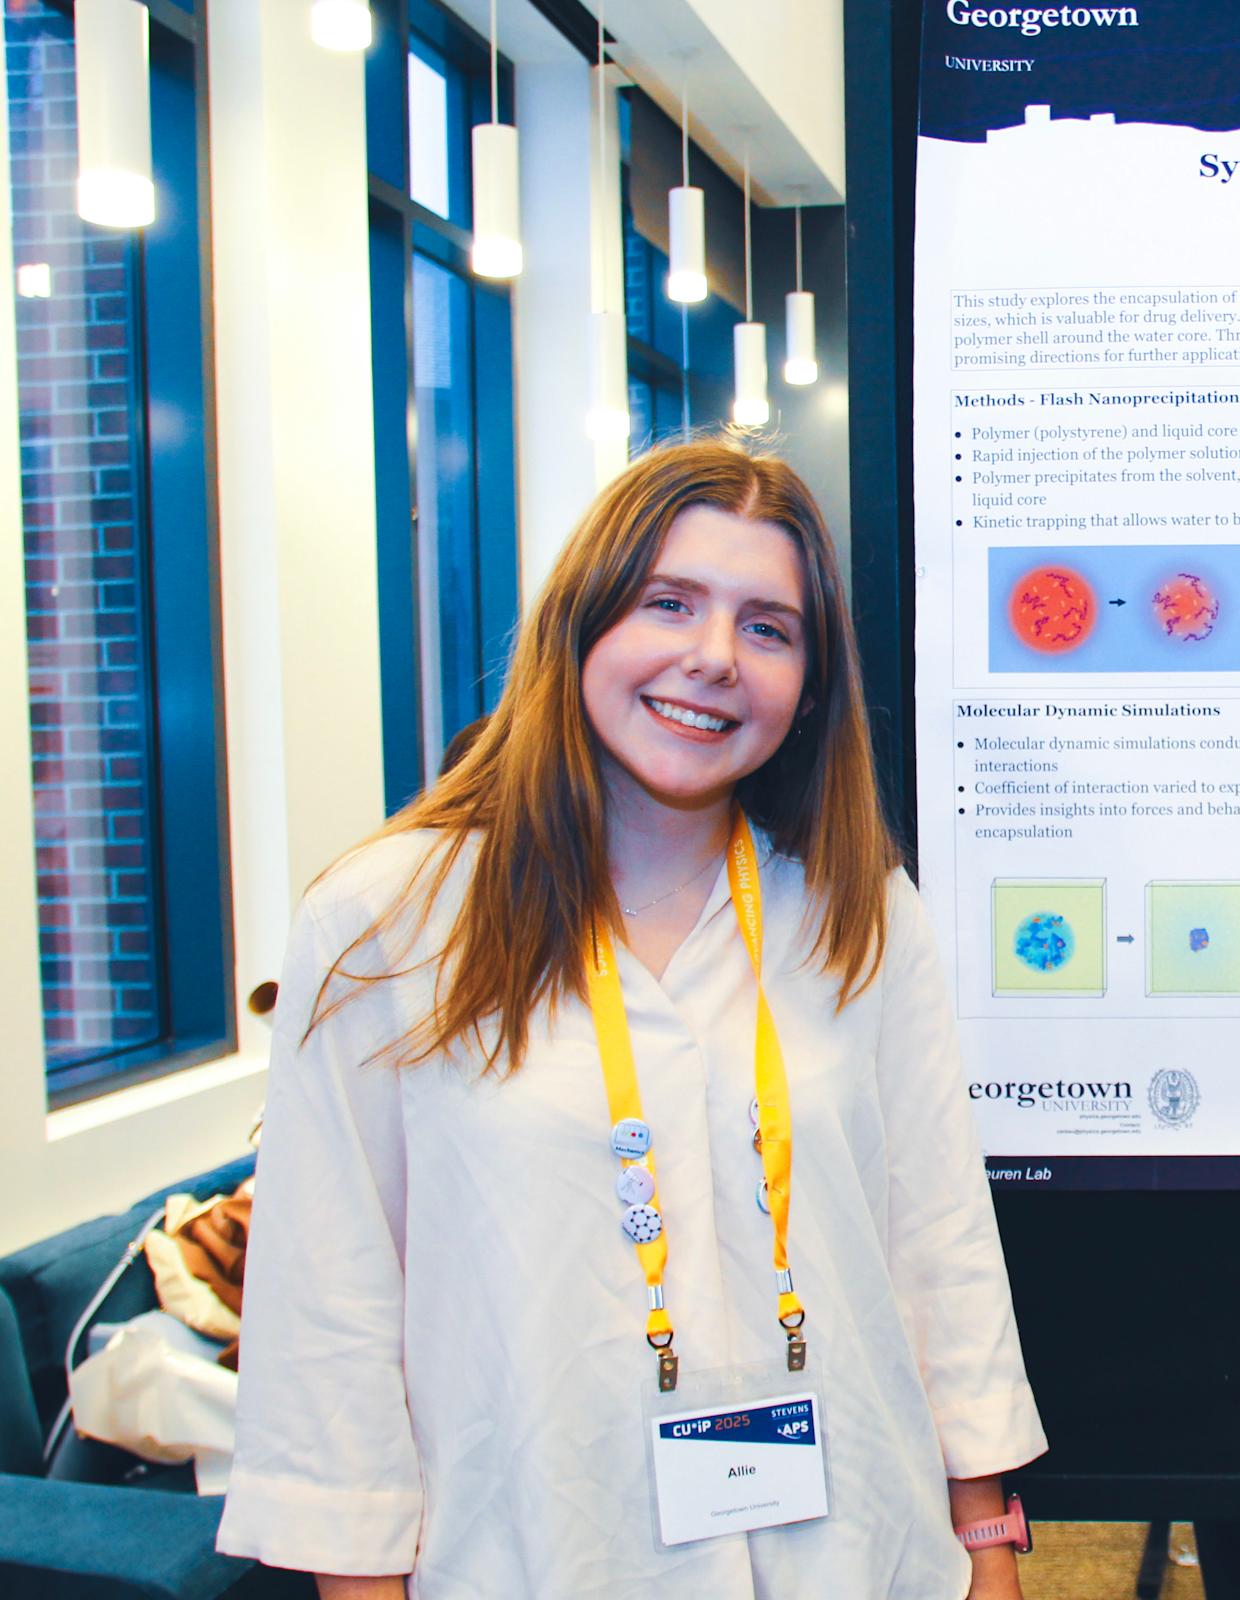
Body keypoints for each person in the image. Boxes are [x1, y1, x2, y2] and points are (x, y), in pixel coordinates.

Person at [215, 441, 1044, 1598]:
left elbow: (941, 1243)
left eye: (769, 628)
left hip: (860, 1551)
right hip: (545, 1557)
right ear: (581, 622)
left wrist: (987, 1539)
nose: (715, 658)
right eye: (670, 602)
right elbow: (329, 1314)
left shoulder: (858, 907)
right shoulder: (386, 921)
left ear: (810, 686)